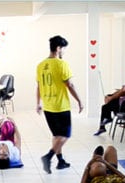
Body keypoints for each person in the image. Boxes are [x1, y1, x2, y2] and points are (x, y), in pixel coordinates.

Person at [37, 35, 84, 173]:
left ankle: (60, 161)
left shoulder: (40, 66)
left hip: (48, 107)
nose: (64, 52)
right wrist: (80, 100)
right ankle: (49, 156)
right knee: (65, 135)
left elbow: (39, 86)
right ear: (58, 48)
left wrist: (38, 103)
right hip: (60, 106)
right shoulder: (61, 64)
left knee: (57, 135)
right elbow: (70, 84)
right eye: (63, 49)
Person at [94, 66, 125, 136]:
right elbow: (121, 90)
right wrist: (110, 96)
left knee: (105, 107)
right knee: (106, 105)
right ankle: (105, 122)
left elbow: (124, 92)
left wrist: (111, 98)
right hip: (123, 103)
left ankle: (106, 121)